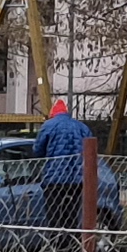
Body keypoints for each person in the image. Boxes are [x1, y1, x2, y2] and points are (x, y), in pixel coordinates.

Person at [34, 95, 96, 227]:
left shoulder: (48, 126)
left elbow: (38, 150)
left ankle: (56, 238)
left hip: (54, 178)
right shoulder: (82, 127)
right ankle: (71, 238)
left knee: (54, 214)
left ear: (53, 113)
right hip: (77, 178)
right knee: (72, 214)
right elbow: (91, 151)